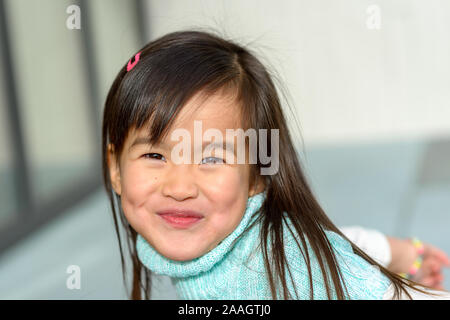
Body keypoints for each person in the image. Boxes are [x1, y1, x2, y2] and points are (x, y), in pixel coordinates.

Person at [102, 29, 450, 300]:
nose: (178, 188)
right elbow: (323, 239)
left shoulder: (268, 271)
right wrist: (402, 253)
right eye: (155, 156)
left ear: (256, 175)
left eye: (211, 158)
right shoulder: (257, 240)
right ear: (116, 168)